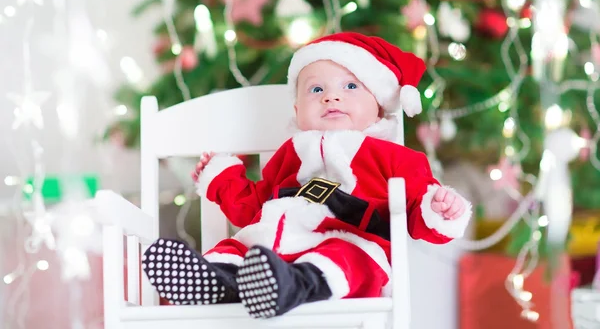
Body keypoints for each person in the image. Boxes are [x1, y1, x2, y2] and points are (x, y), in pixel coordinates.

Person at [142, 32, 472, 319]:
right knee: (235, 246)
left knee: (342, 258)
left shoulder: (395, 158)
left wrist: (437, 210)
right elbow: (253, 206)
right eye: (316, 89)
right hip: (270, 243)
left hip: (351, 241)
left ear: (379, 105)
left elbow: (414, 209)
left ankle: (290, 286)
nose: (331, 96)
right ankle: (216, 282)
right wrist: (221, 179)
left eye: (351, 85)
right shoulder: (289, 154)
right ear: (298, 111)